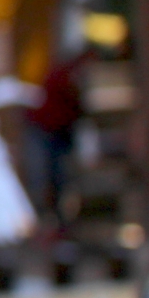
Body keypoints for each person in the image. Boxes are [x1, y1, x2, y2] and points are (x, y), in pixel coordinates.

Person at [24, 48, 90, 228]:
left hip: (58, 131)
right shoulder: (63, 77)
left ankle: (58, 213)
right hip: (49, 130)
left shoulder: (66, 76)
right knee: (50, 172)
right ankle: (51, 213)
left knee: (58, 173)